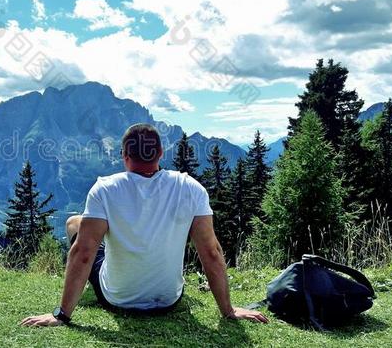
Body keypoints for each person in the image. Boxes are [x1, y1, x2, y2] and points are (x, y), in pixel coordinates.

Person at [21, 123, 268, 327]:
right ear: (161, 153)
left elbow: (83, 253)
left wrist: (61, 315)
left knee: (74, 223)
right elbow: (211, 252)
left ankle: (83, 290)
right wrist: (229, 310)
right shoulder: (191, 188)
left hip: (116, 299)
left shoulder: (105, 190)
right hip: (170, 299)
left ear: (124, 156)